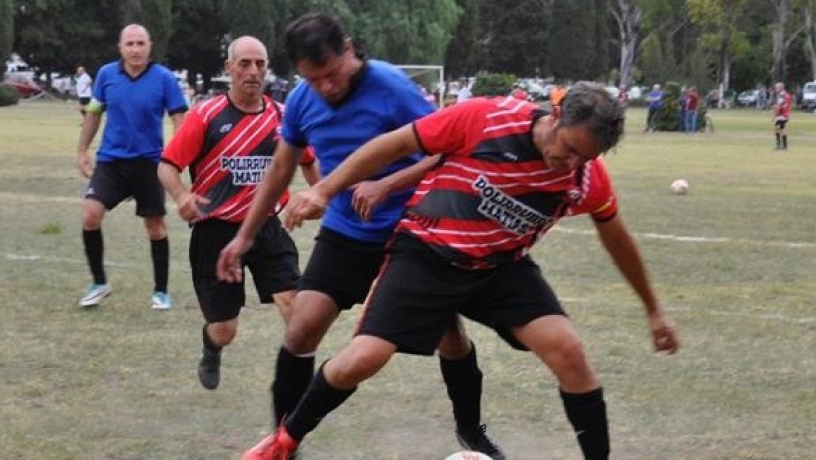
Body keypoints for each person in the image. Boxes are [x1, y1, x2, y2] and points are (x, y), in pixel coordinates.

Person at [241, 82, 681, 460]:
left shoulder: (584, 177)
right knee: (363, 359)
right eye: (568, 148)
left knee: (568, 350)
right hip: (427, 255)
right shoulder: (485, 118)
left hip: (499, 267)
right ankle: (284, 440)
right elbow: (396, 144)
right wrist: (323, 189)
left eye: (584, 158)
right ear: (557, 113)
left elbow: (616, 238)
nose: (570, 163)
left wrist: (654, 310)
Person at [217, 13, 503, 459]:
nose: (327, 87)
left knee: (450, 336)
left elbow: (446, 151)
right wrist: (244, 237)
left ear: (348, 50)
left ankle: (472, 431)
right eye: (314, 79)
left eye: (332, 73)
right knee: (301, 330)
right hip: (347, 232)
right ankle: (283, 442)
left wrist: (386, 183)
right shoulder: (300, 101)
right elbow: (280, 168)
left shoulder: (391, 87)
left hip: (412, 233)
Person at [158, 36, 320, 390]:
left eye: (260, 64)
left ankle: (299, 391)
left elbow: (310, 164)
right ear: (228, 67)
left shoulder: (282, 118)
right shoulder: (206, 115)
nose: (253, 71)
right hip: (216, 232)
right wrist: (182, 194)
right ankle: (211, 346)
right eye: (245, 63)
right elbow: (167, 166)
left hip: (266, 228)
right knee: (225, 329)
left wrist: (318, 194)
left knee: (297, 310)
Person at [76, 24, 188, 309]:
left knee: (155, 227)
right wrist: (82, 150)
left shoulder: (163, 78)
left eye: (140, 43)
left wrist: (178, 158)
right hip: (111, 161)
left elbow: (179, 119)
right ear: (120, 47)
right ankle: (99, 283)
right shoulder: (106, 75)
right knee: (90, 214)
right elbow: (93, 113)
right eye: (130, 44)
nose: (135, 49)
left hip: (149, 163)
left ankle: (161, 291)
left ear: (150, 46)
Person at [772, 81, 792, 150]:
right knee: (782, 129)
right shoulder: (787, 95)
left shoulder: (781, 95)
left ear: (781, 88)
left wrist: (774, 116)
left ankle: (779, 145)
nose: (775, 89)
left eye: (776, 88)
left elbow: (778, 107)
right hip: (786, 115)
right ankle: (785, 146)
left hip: (781, 115)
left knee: (777, 129)